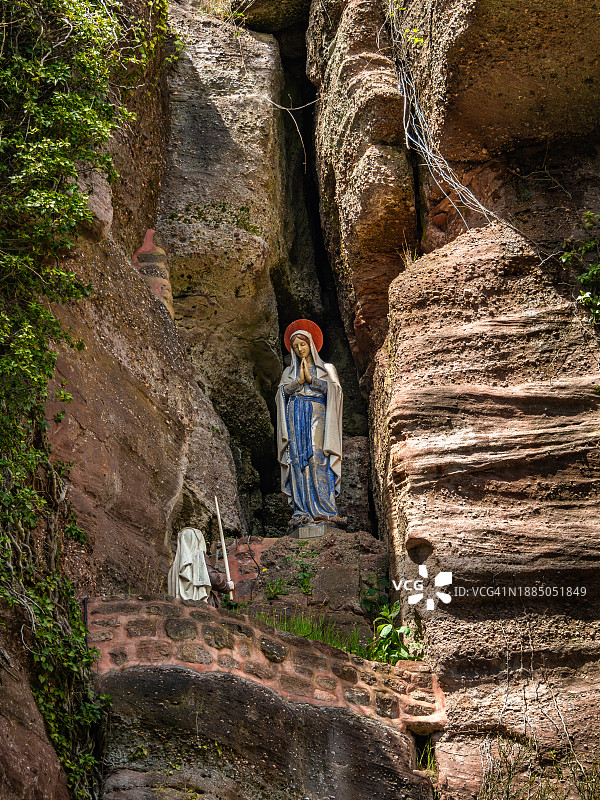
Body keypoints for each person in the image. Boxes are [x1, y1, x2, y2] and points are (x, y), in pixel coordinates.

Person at [275, 319, 344, 531]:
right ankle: (302, 512)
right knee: (297, 460)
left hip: (317, 411)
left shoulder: (326, 368)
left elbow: (336, 392)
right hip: (295, 414)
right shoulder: (288, 373)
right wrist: (297, 382)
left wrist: (312, 381)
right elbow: (280, 395)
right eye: (295, 347)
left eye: (303, 344)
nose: (299, 349)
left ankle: (326, 511)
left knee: (317, 456)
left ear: (311, 344)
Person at [168, 527, 234, 607]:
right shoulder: (199, 556)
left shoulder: (173, 569)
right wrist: (227, 586)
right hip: (199, 606)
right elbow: (212, 577)